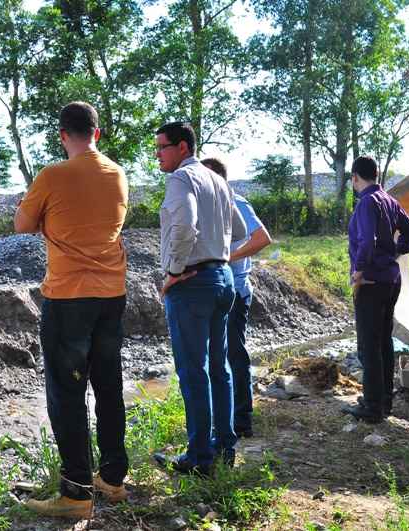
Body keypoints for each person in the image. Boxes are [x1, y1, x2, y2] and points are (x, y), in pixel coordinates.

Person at [14, 101, 130, 519]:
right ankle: (112, 479)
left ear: (63, 135)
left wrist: (49, 221)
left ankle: (76, 492)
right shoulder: (118, 174)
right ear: (97, 133)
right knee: (108, 385)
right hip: (112, 294)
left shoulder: (52, 175)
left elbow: (23, 225)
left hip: (68, 296)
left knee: (66, 393)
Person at [152, 122, 247, 475]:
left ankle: (198, 459)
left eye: (161, 148)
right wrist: (215, 246)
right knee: (218, 369)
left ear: (181, 147)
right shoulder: (217, 180)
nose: (157, 155)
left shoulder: (181, 179)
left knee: (194, 373)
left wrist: (175, 271)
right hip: (223, 278)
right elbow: (238, 231)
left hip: (192, 283)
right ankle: (224, 448)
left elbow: (185, 225)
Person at [342, 155, 409, 424]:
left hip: (371, 281)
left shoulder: (366, 203)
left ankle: (372, 406)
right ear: (377, 174)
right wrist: (396, 253)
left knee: (368, 345)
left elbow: (367, 240)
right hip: (391, 279)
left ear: (355, 177)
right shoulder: (390, 200)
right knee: (384, 340)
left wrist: (359, 271)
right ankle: (384, 400)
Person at [201, 157, 272, 438]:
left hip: (237, 290)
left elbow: (262, 238)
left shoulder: (236, 202)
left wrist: (227, 257)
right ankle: (225, 418)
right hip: (219, 290)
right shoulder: (211, 205)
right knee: (218, 356)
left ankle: (242, 420)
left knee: (234, 354)